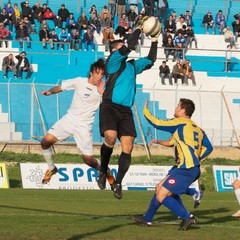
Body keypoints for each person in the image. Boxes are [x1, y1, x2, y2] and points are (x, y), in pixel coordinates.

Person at [97, 25, 159, 199]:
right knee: (110, 137)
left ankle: (118, 182)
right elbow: (129, 45)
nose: (123, 47)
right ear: (114, 50)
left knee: (128, 146)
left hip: (125, 111)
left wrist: (154, 41)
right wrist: (139, 28)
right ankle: (103, 171)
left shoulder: (131, 66)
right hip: (109, 106)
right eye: (120, 46)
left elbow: (150, 60)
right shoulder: (113, 62)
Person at [131, 98, 213, 230]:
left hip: (187, 168)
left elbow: (157, 123)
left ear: (182, 110)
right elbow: (208, 148)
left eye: (177, 106)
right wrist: (159, 141)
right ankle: (147, 219)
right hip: (184, 167)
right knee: (159, 188)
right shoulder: (197, 129)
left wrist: (145, 111)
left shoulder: (179, 123)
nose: (175, 109)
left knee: (162, 194)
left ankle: (187, 217)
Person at [40, 59, 115, 189]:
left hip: (84, 126)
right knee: (45, 142)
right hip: (69, 120)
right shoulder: (79, 81)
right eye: (98, 73)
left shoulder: (103, 89)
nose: (100, 77)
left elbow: (110, 105)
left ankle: (105, 170)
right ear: (91, 73)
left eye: (102, 74)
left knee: (88, 160)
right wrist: (50, 92)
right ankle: (51, 168)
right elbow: (61, 87)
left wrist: (103, 93)